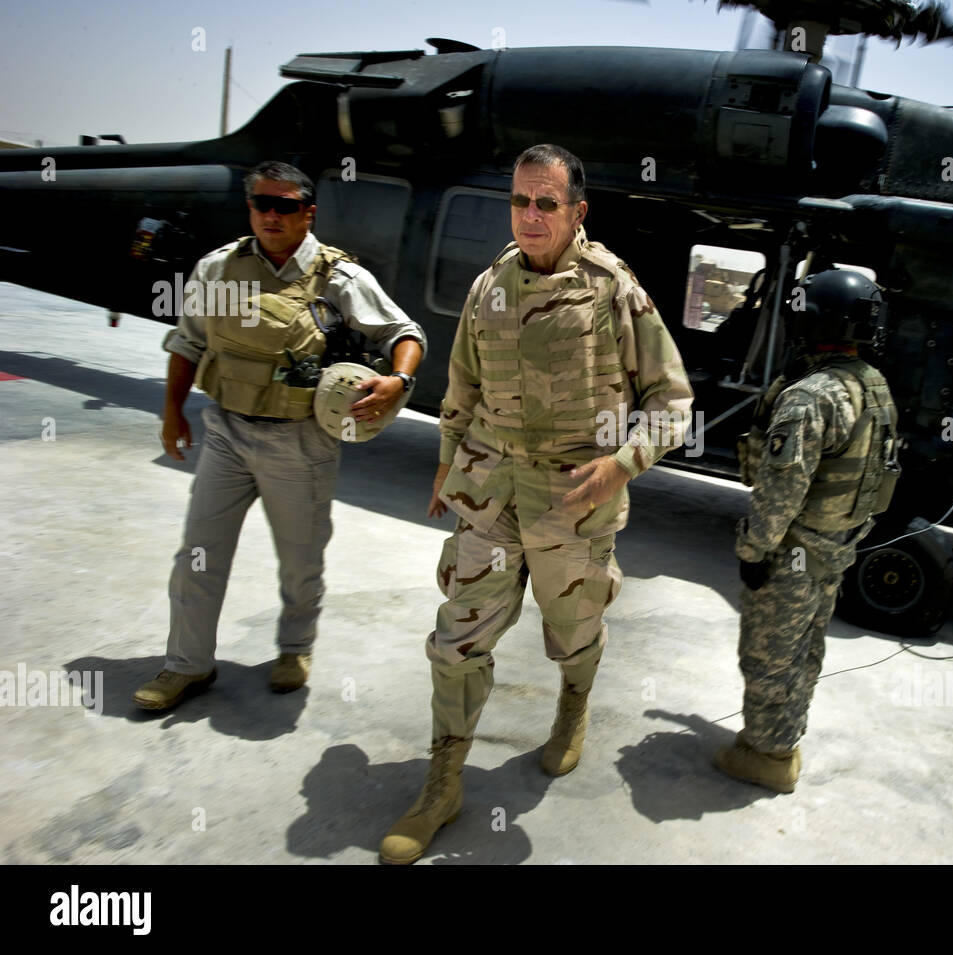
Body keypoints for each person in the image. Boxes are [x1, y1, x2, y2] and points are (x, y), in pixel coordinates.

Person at [380, 143, 693, 864]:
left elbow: (672, 402)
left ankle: (572, 709)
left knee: (573, 632)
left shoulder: (611, 286)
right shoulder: (490, 283)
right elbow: (460, 385)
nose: (529, 216)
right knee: (456, 641)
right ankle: (442, 783)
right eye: (519, 201)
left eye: (545, 203)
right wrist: (444, 462)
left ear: (576, 211)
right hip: (488, 495)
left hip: (573, 507)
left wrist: (623, 463)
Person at [133, 160, 426, 711]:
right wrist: (172, 413)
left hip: (299, 442)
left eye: (285, 206)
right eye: (261, 204)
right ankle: (186, 665)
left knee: (300, 559)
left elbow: (404, 333)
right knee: (198, 553)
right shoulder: (218, 270)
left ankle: (294, 648)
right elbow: (188, 343)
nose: (271, 215)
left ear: (307, 213)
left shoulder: (340, 279)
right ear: (250, 209)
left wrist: (399, 379)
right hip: (226, 432)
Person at [714, 268, 899, 792]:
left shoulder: (811, 396)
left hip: (792, 553)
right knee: (805, 651)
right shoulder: (874, 386)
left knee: (768, 655)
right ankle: (785, 740)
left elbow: (781, 491)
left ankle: (767, 757)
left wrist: (754, 551)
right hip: (834, 550)